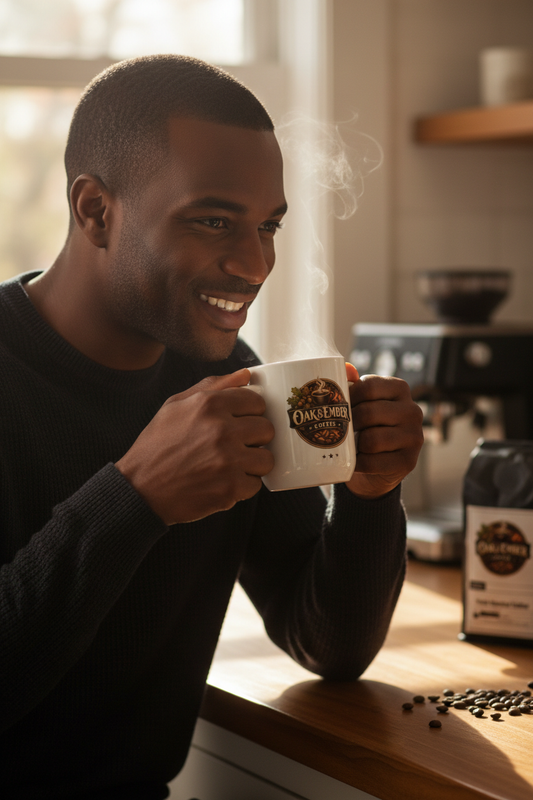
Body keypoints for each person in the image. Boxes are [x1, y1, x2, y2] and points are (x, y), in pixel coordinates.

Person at [0, 55, 423, 799]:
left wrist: (369, 493)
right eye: (214, 220)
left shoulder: (228, 380)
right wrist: (135, 498)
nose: (256, 262)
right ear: (95, 209)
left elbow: (326, 644)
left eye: (268, 227)